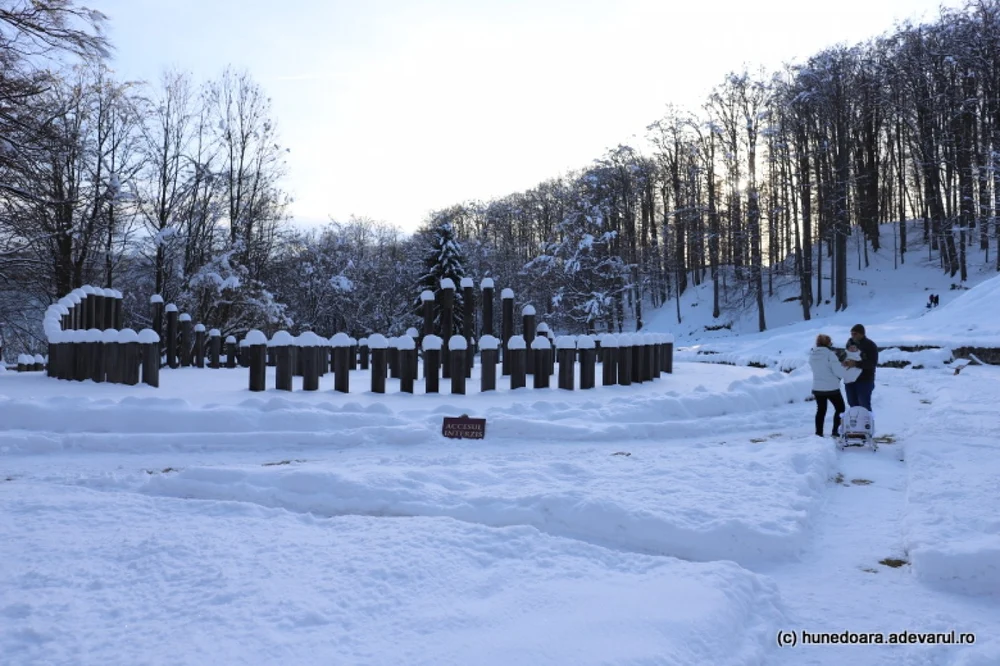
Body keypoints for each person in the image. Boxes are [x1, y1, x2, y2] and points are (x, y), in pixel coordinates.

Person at [809, 333, 847, 438]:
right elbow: (838, 372)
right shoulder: (830, 355)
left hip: (817, 387)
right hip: (831, 387)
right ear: (827, 343)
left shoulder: (812, 355)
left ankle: (819, 433)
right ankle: (835, 431)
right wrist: (843, 370)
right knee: (840, 408)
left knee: (821, 410)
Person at [843, 324, 877, 411]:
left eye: (855, 334)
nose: (853, 336)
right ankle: (856, 420)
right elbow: (846, 356)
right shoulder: (849, 343)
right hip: (850, 379)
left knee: (864, 405)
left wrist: (855, 364)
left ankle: (868, 420)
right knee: (852, 404)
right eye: (851, 333)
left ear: (862, 334)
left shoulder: (870, 345)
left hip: (865, 379)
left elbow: (872, 363)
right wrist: (844, 362)